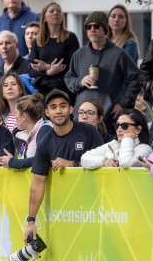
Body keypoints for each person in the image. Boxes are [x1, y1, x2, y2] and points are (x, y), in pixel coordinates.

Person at [23, 90, 104, 244]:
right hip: (65, 214)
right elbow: (37, 184)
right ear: (47, 112)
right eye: (53, 107)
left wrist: (72, 164)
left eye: (62, 106)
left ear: (70, 109)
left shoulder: (88, 132)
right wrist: (31, 221)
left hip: (94, 209)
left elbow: (105, 163)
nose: (58, 111)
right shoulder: (45, 143)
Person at [65, 10, 141, 123]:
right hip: (82, 118)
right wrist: (80, 82)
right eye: (88, 27)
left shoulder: (118, 53)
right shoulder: (79, 54)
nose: (92, 30)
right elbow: (68, 78)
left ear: (105, 28)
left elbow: (136, 79)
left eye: (96, 26)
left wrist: (122, 103)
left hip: (108, 117)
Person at [31, 2, 79, 99]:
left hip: (65, 89)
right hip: (44, 90)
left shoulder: (70, 38)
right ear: (44, 18)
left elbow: (76, 66)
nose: (56, 13)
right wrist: (48, 72)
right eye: (52, 11)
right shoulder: (38, 41)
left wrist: (48, 66)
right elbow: (31, 71)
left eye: (58, 11)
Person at [81, 109, 152, 169]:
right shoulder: (112, 145)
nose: (119, 129)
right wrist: (103, 161)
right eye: (117, 125)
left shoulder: (145, 149)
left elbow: (126, 163)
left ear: (138, 129)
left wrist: (128, 139)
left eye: (125, 125)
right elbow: (84, 158)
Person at [0, 95, 51, 170]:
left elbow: (42, 159)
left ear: (24, 116)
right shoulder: (24, 135)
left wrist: (12, 162)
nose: (15, 117)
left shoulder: (45, 129)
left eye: (16, 113)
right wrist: (12, 161)